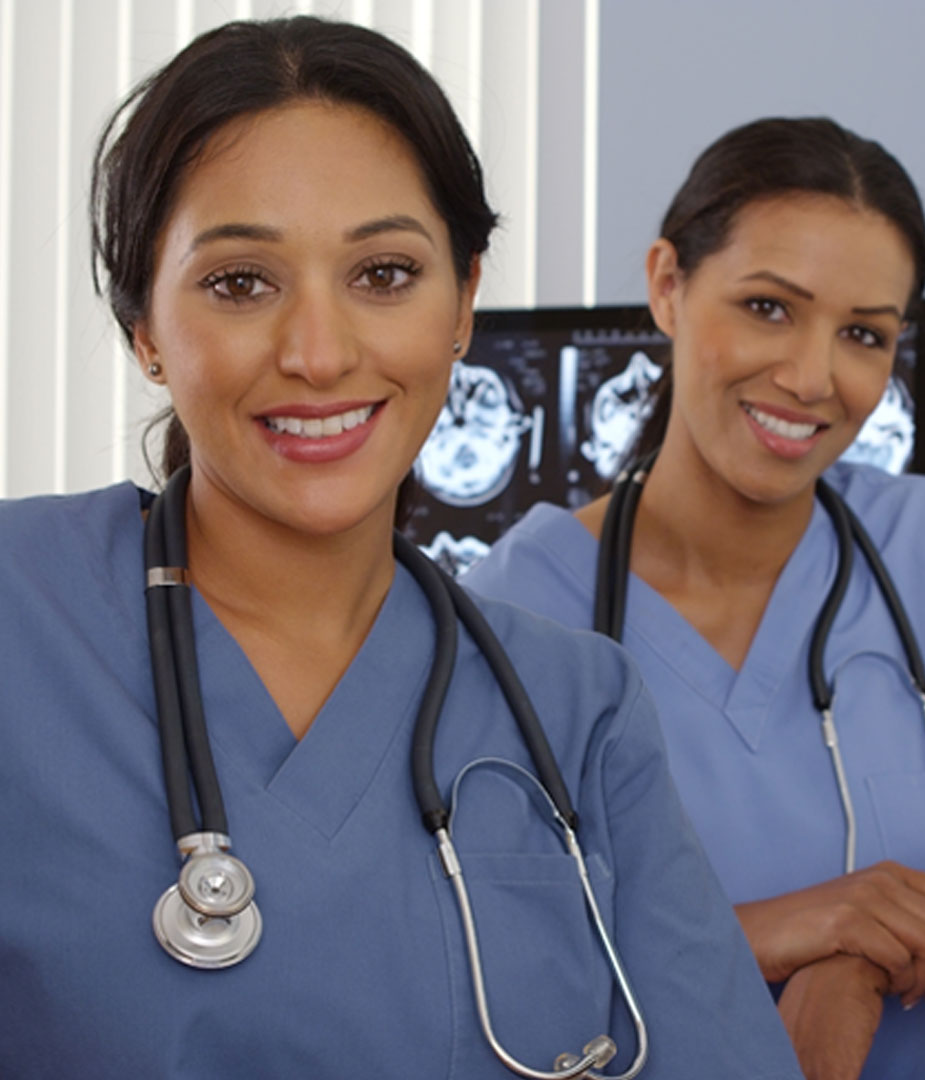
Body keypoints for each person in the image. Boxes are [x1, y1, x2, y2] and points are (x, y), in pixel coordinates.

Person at [0, 18, 800, 1079]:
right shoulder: (22, 617)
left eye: (383, 274)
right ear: (144, 327)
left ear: (463, 302)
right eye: (241, 282)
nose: (320, 354)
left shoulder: (573, 712)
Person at [462, 118, 925, 1080]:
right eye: (766, 306)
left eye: (863, 335)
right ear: (669, 284)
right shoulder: (516, 608)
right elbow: (474, 956)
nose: (810, 377)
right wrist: (792, 930)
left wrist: (863, 962)